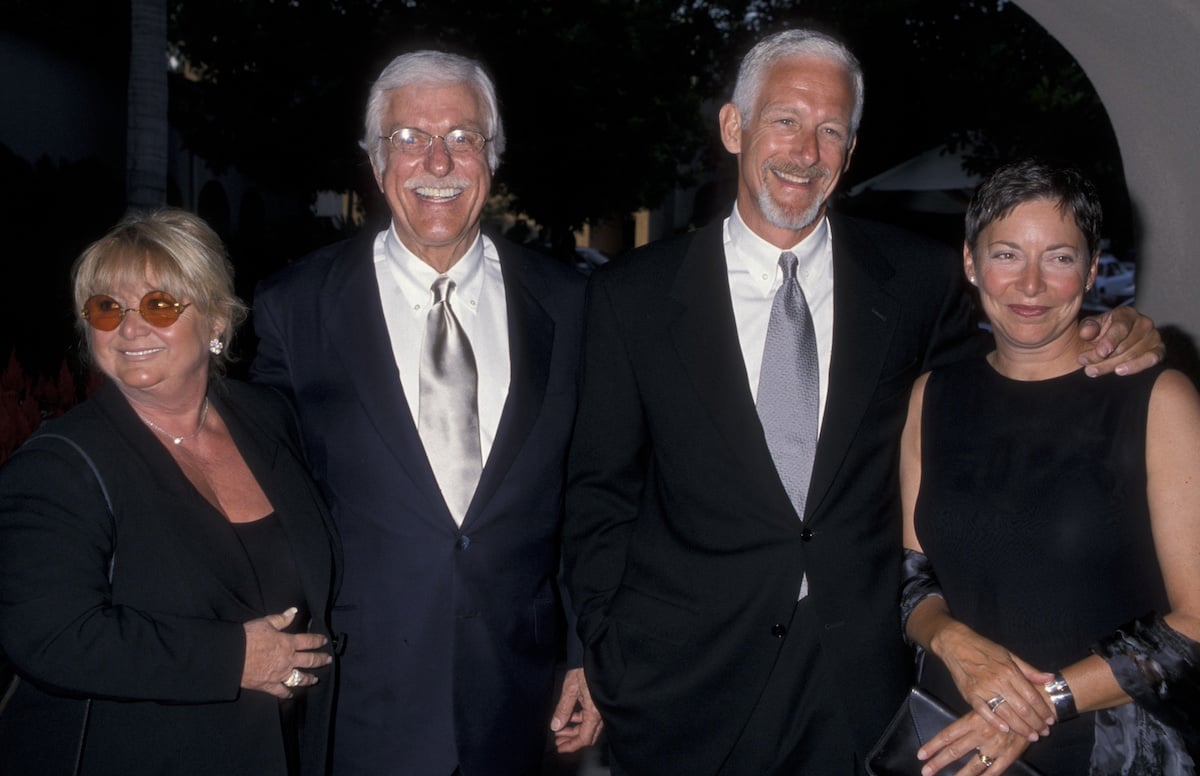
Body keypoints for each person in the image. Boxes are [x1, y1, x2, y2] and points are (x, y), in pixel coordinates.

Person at [562, 28, 1164, 775]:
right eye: (785, 119)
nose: (805, 150)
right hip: (678, 687)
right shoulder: (632, 297)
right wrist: (602, 648)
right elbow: (599, 494)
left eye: (830, 130)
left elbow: (1000, 392)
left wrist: (1110, 332)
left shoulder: (916, 279)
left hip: (860, 687)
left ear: (849, 151)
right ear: (733, 126)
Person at [251, 50, 599, 775]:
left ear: (492, 159)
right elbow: (260, 495)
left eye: (463, 137)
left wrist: (586, 655)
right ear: (377, 164)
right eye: (409, 138)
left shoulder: (572, 307)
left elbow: (593, 497)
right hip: (356, 706)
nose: (437, 160)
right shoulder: (295, 308)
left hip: (520, 705)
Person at [0, 209, 340, 775]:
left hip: (279, 752)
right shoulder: (58, 465)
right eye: (107, 308)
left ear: (216, 323)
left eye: (159, 305)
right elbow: (50, 635)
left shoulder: (267, 417)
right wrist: (235, 660)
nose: (129, 328)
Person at [900, 159, 1200, 776]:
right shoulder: (933, 395)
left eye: (1060, 257)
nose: (1030, 284)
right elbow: (913, 578)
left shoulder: (1157, 398)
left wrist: (1037, 704)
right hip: (948, 744)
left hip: (1103, 750)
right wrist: (947, 639)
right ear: (970, 262)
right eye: (1006, 254)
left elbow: (1196, 623)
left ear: (1091, 270)